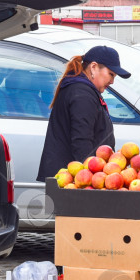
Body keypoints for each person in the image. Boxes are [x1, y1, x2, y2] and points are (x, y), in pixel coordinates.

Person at [37, 45, 131, 181]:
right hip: (73, 181)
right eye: (111, 74)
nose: (112, 81)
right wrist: (92, 180)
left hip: (71, 178)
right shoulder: (82, 94)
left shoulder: (81, 89)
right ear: (93, 67)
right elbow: (82, 143)